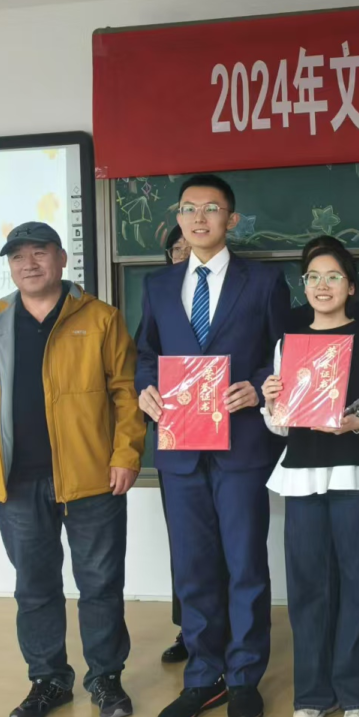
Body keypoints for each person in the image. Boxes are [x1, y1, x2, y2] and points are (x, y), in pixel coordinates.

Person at [0, 221, 145, 717]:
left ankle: (105, 677)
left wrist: (126, 455)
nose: (29, 264)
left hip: (93, 478)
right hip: (17, 481)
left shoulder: (100, 318)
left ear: (61, 258)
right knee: (34, 587)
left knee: (101, 584)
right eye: (18, 257)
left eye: (39, 253)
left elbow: (126, 394)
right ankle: (48, 680)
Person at [135, 174, 294, 717]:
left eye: (211, 208)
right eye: (189, 209)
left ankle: (244, 677)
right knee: (193, 567)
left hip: (242, 444)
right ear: (178, 218)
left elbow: (284, 353)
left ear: (232, 218)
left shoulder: (264, 281)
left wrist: (259, 386)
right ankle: (204, 677)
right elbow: (146, 353)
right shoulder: (158, 285)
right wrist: (145, 389)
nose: (199, 218)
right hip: (180, 447)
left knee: (246, 563)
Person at [261, 236, 359, 717]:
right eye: (313, 277)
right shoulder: (288, 344)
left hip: (355, 471)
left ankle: (358, 693)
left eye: (333, 276)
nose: (322, 285)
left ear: (350, 286)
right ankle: (313, 694)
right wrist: (272, 403)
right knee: (307, 587)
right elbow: (280, 426)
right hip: (302, 475)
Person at [157, 224, 191, 665]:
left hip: (232, 436)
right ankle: (190, 628)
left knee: (235, 551)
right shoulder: (159, 293)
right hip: (178, 438)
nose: (183, 253)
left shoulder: (242, 287)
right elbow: (145, 357)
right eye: (176, 249)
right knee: (184, 547)